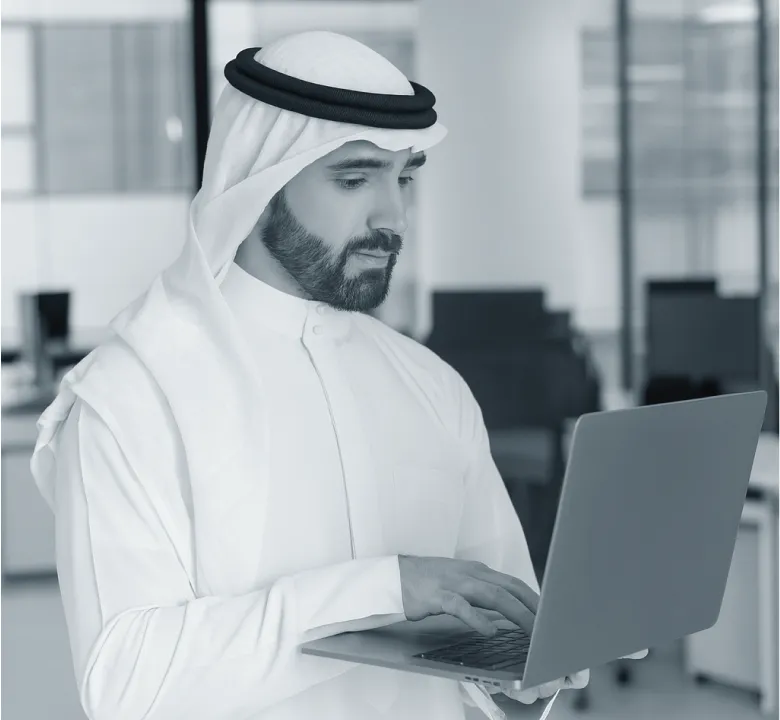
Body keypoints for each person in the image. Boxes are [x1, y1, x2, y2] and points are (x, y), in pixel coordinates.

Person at [31, 32, 644, 720]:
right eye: (355, 180)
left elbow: (497, 633)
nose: (393, 217)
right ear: (257, 184)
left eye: (404, 177)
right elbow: (127, 685)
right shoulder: (130, 397)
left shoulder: (431, 386)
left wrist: (527, 678)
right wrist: (385, 589)